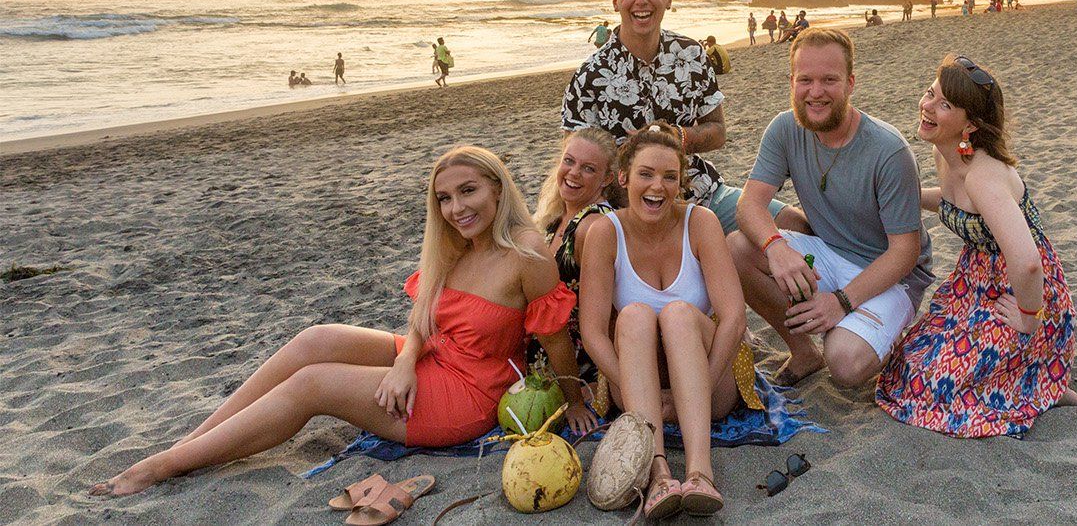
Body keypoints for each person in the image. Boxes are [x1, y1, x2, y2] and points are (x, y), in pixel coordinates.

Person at [90, 146, 587, 496]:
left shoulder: (526, 253)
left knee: (313, 384)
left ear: (497, 188)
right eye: (444, 198)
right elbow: (422, 319)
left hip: (468, 391)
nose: (456, 208)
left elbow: (555, 338)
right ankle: (194, 441)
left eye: (468, 191)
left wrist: (575, 400)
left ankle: (162, 466)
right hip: (429, 357)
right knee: (316, 339)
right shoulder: (455, 243)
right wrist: (404, 363)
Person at [876, 55, 1077, 436]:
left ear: (970, 125)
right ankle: (1034, 378)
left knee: (936, 384)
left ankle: (1042, 378)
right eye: (930, 94)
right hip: (975, 283)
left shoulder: (983, 177)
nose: (928, 106)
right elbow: (952, 202)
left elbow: (1028, 263)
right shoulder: (945, 153)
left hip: (1023, 293)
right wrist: (904, 198)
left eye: (944, 105)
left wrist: (1028, 318)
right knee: (910, 362)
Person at [727, 28, 935, 388]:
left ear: (850, 83)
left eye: (829, 80)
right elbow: (750, 204)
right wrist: (776, 248)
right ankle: (804, 352)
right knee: (737, 248)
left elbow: (905, 252)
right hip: (829, 252)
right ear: (792, 82)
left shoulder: (888, 151)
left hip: (890, 275)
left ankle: (884, 334)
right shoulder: (784, 129)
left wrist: (840, 303)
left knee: (845, 365)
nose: (816, 92)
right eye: (805, 80)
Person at [578, 123, 759, 518]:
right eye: (646, 174)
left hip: (709, 382)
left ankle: (700, 471)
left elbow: (733, 318)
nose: (657, 187)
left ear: (682, 182)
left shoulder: (701, 222)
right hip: (639, 388)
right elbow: (592, 333)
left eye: (670, 177)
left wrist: (696, 389)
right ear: (624, 178)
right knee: (634, 315)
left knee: (678, 313)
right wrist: (632, 388)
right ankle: (658, 471)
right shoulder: (606, 232)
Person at [561, 0, 805, 236]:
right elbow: (576, 164)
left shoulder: (692, 55)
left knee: (796, 224)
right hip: (626, 209)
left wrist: (679, 136)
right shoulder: (590, 75)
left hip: (700, 192)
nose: (641, 0)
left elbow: (718, 131)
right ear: (616, 1)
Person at [527, 128, 622, 426]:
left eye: (588, 168)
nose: (573, 173)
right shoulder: (557, 217)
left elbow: (608, 315)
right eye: (569, 161)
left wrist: (588, 393)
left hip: (577, 369)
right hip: (549, 356)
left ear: (607, 179)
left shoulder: (592, 226)